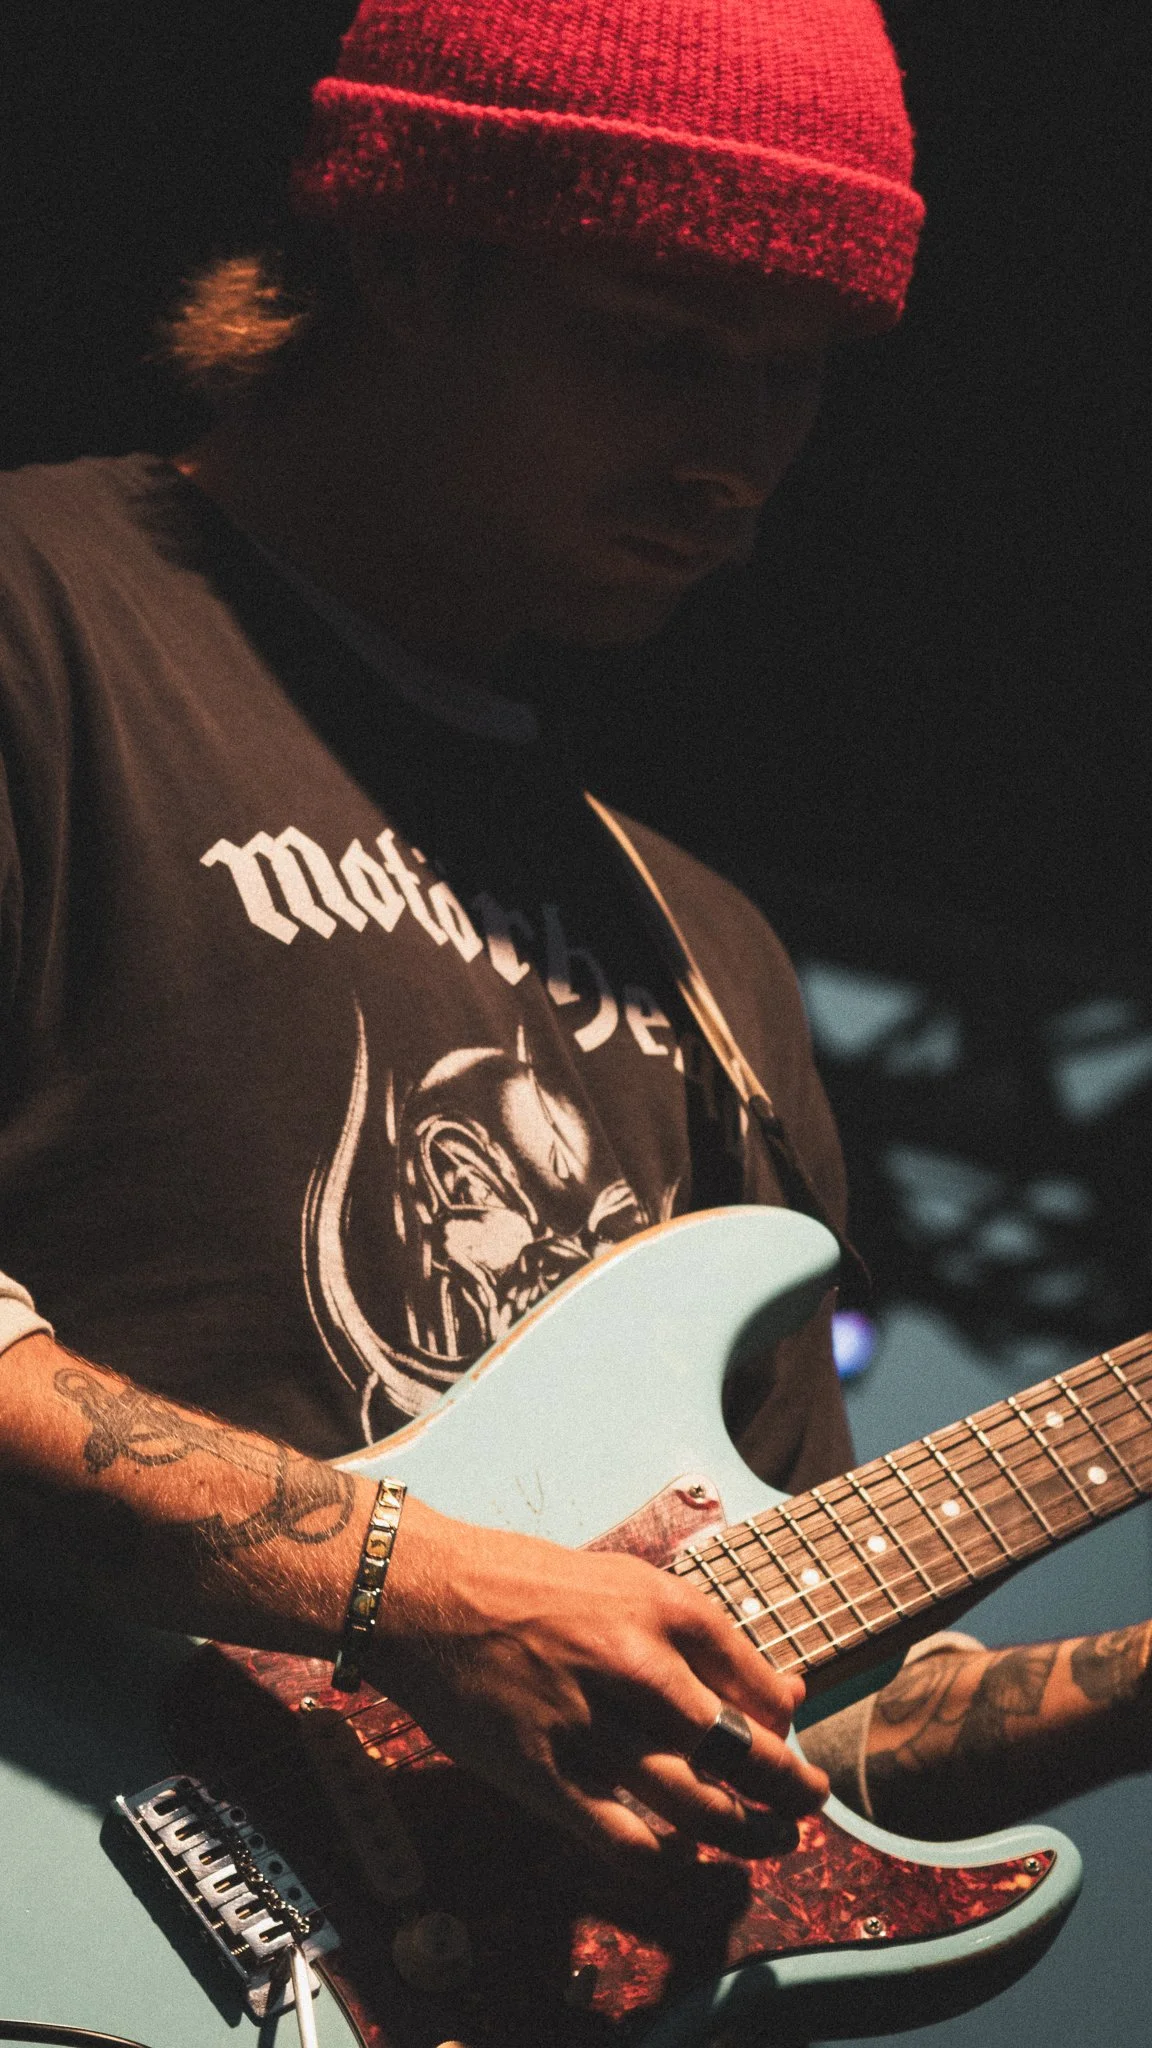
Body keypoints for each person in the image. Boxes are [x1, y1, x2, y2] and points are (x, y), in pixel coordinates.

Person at [1, 0, 1149, 1898]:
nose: (738, 458)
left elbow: (792, 1720)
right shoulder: (41, 626)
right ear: (409, 258)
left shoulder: (708, 963)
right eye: (665, 349)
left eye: (795, 379)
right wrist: (416, 1589)